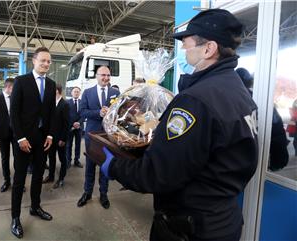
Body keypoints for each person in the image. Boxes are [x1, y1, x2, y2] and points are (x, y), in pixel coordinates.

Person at [101, 9, 258, 241]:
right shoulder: (240, 93)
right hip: (224, 220)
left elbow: (159, 174)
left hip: (189, 228)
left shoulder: (195, 100)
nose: (184, 49)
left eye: (187, 43)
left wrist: (114, 166)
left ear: (209, 49)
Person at [10, 47, 56, 239]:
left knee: (38, 175)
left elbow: (52, 112)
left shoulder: (52, 84)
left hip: (42, 139)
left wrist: (51, 135)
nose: (46, 64)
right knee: (20, 179)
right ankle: (15, 218)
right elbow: (14, 112)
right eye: (42, 60)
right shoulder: (21, 81)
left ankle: (35, 207)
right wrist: (20, 137)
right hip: (24, 140)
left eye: (48, 61)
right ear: (34, 61)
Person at [77, 65, 120, 209]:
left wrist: (111, 114)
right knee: (89, 166)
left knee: (105, 166)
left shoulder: (116, 92)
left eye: (108, 75)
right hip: (92, 136)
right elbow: (82, 112)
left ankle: (103, 194)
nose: (106, 78)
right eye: (103, 75)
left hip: (108, 137)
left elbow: (120, 112)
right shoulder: (88, 93)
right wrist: (98, 113)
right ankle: (87, 193)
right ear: (96, 76)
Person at [42, 83, 69, 189]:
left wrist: (63, 138)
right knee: (51, 158)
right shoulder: (51, 103)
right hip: (51, 138)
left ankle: (61, 178)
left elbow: (67, 124)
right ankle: (51, 176)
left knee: (62, 159)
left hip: (60, 139)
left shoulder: (64, 104)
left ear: (57, 91)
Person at [66, 86, 83, 169]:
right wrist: (73, 124)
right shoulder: (67, 102)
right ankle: (68, 160)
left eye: (77, 91)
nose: (76, 93)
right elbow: (66, 115)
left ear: (80, 93)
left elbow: (84, 114)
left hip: (79, 127)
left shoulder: (82, 102)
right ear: (71, 93)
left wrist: (78, 123)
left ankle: (77, 160)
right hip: (70, 127)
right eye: (74, 91)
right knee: (68, 144)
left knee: (78, 144)